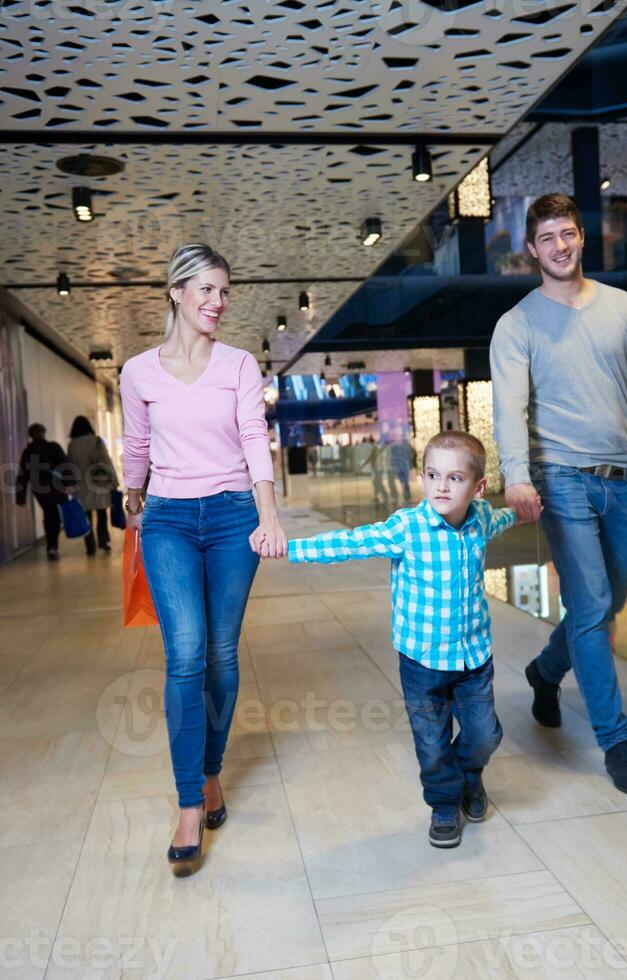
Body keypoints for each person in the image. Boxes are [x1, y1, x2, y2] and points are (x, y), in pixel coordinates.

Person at [490, 193, 627, 798]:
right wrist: (517, 474)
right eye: (548, 237)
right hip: (559, 479)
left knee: (603, 607)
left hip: (620, 481)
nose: (561, 245)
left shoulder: (623, 308)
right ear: (532, 250)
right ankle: (616, 740)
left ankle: (544, 670)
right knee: (591, 608)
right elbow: (511, 407)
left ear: (583, 238)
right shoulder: (517, 324)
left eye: (569, 234)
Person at [121, 243, 287, 874]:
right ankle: (190, 801)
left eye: (224, 291)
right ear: (176, 293)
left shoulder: (240, 365)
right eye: (206, 290)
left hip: (230, 518)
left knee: (221, 651)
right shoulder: (138, 371)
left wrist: (268, 513)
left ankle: (211, 770)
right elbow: (137, 442)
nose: (218, 302)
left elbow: (253, 437)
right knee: (185, 651)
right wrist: (133, 497)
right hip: (165, 520)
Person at [288, 431, 522, 849]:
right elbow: (349, 543)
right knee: (432, 745)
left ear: (479, 487)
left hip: (473, 658)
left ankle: (470, 774)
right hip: (422, 661)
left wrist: (524, 513)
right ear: (422, 477)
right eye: (432, 475)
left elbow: (503, 519)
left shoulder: (483, 517)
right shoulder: (407, 527)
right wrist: (288, 548)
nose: (441, 487)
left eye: (454, 478)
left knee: (485, 735)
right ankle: (445, 805)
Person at [15, 423, 74, 561]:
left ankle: (51, 547)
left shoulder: (28, 452)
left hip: (40, 491)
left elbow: (22, 476)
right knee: (54, 517)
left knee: (50, 515)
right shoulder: (53, 447)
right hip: (56, 488)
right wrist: (69, 483)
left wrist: (20, 497)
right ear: (44, 432)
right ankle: (52, 547)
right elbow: (65, 465)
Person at [67, 415, 118, 555]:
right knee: (102, 513)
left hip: (81, 483)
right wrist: (114, 481)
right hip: (98, 482)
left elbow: (69, 466)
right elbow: (106, 462)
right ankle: (103, 542)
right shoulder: (96, 441)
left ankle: (90, 546)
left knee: (86, 515)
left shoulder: (72, 444)